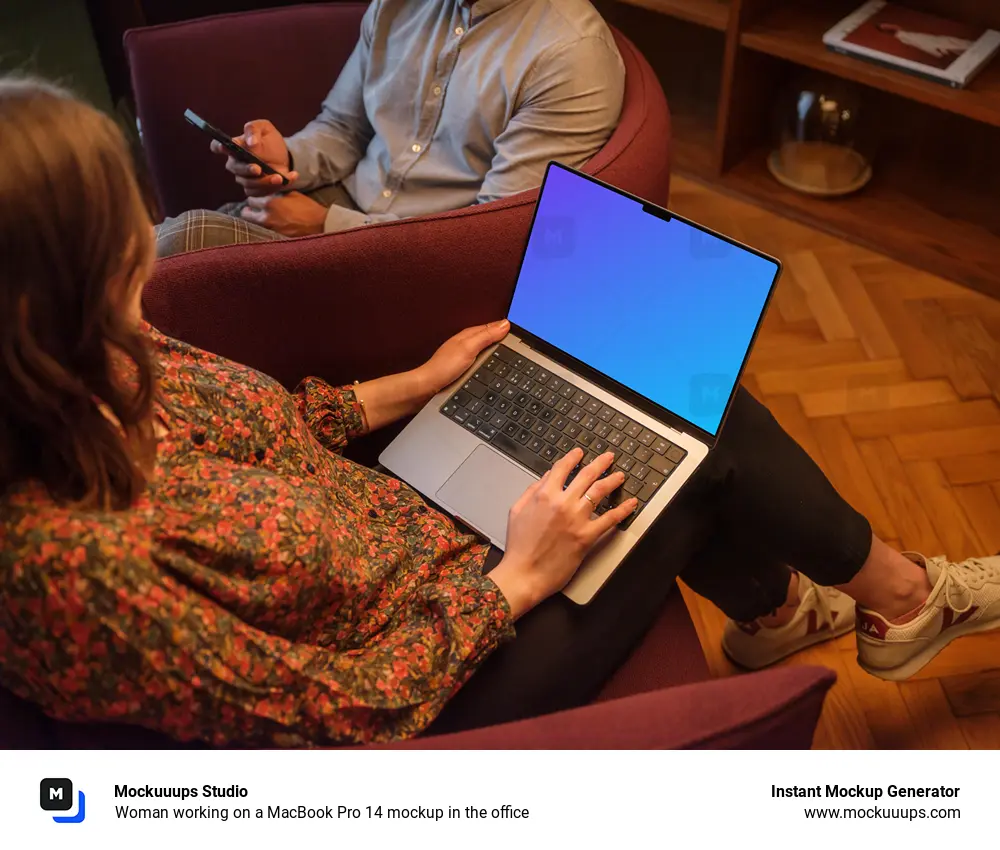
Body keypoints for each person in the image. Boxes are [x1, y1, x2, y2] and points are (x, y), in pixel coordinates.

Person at [3, 78, 999, 747]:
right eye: (116, 232)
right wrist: (514, 580)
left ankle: (783, 610)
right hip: (434, 676)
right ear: (45, 290)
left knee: (648, 401)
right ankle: (905, 600)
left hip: (402, 526)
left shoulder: (92, 358)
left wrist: (415, 385)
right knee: (697, 435)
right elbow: (315, 724)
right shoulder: (66, 570)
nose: (146, 239)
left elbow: (259, 435)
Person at [155, 0, 625, 257]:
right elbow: (343, 129)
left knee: (181, 246)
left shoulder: (570, 55)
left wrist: (325, 226)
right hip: (339, 207)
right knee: (178, 240)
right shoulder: (398, 7)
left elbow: (493, 237)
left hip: (419, 261)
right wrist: (286, 159)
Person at [875, 22, 973, 60]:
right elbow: (918, 43)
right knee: (948, 45)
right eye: (885, 27)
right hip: (931, 43)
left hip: (933, 39)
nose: (889, 25)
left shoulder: (903, 31)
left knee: (950, 41)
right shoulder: (901, 36)